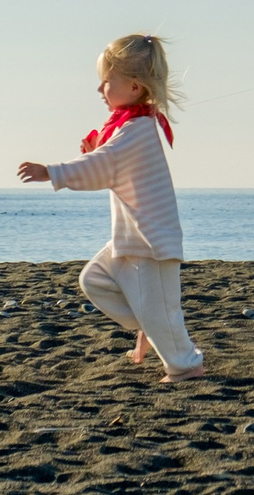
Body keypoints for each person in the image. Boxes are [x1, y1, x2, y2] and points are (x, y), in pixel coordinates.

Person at [16, 33, 204, 381]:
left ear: (134, 87)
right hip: (131, 235)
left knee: (164, 315)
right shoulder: (128, 127)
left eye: (107, 82)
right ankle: (149, 326)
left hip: (153, 241)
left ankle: (186, 367)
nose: (100, 90)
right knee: (95, 280)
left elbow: (106, 164)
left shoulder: (138, 130)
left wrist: (52, 172)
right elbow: (107, 164)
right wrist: (92, 155)